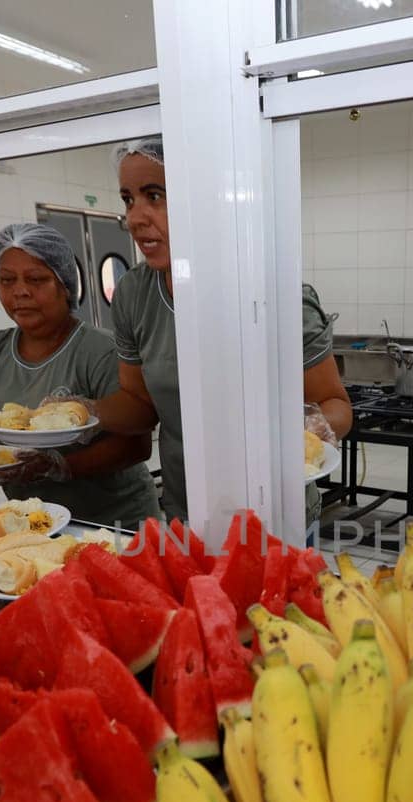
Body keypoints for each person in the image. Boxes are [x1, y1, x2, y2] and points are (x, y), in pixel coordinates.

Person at [92, 137, 353, 522]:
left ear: (204, 199)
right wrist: (83, 415)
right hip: (188, 506)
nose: (135, 217)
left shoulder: (274, 295)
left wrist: (292, 439)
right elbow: (140, 405)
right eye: (128, 199)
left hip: (273, 509)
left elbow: (337, 407)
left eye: (155, 196)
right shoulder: (134, 293)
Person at [0, 222, 161, 528]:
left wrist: (59, 466)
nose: (19, 291)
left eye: (35, 279)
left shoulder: (99, 350)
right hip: (36, 521)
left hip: (112, 521)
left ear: (64, 284)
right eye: (7, 280)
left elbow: (136, 445)